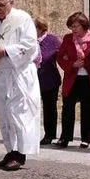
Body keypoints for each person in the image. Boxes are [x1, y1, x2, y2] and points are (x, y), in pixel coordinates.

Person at [0, 0, 41, 171]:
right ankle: (11, 150)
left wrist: (6, 51)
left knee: (19, 114)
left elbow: (30, 46)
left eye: (1, 5)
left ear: (11, 3)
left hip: (19, 74)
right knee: (4, 114)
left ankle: (21, 153)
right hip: (1, 74)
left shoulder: (23, 19)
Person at [55, 12, 90, 149]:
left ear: (84, 25)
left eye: (76, 26)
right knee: (68, 107)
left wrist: (88, 63)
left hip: (88, 78)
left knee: (87, 108)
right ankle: (65, 137)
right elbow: (60, 56)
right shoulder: (68, 38)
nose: (73, 29)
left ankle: (86, 139)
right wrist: (72, 64)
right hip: (72, 77)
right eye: (72, 26)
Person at [34, 16, 62, 146]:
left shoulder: (53, 40)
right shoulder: (30, 41)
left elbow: (62, 56)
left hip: (50, 79)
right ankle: (31, 134)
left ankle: (49, 134)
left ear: (40, 28)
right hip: (33, 79)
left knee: (49, 108)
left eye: (34, 27)